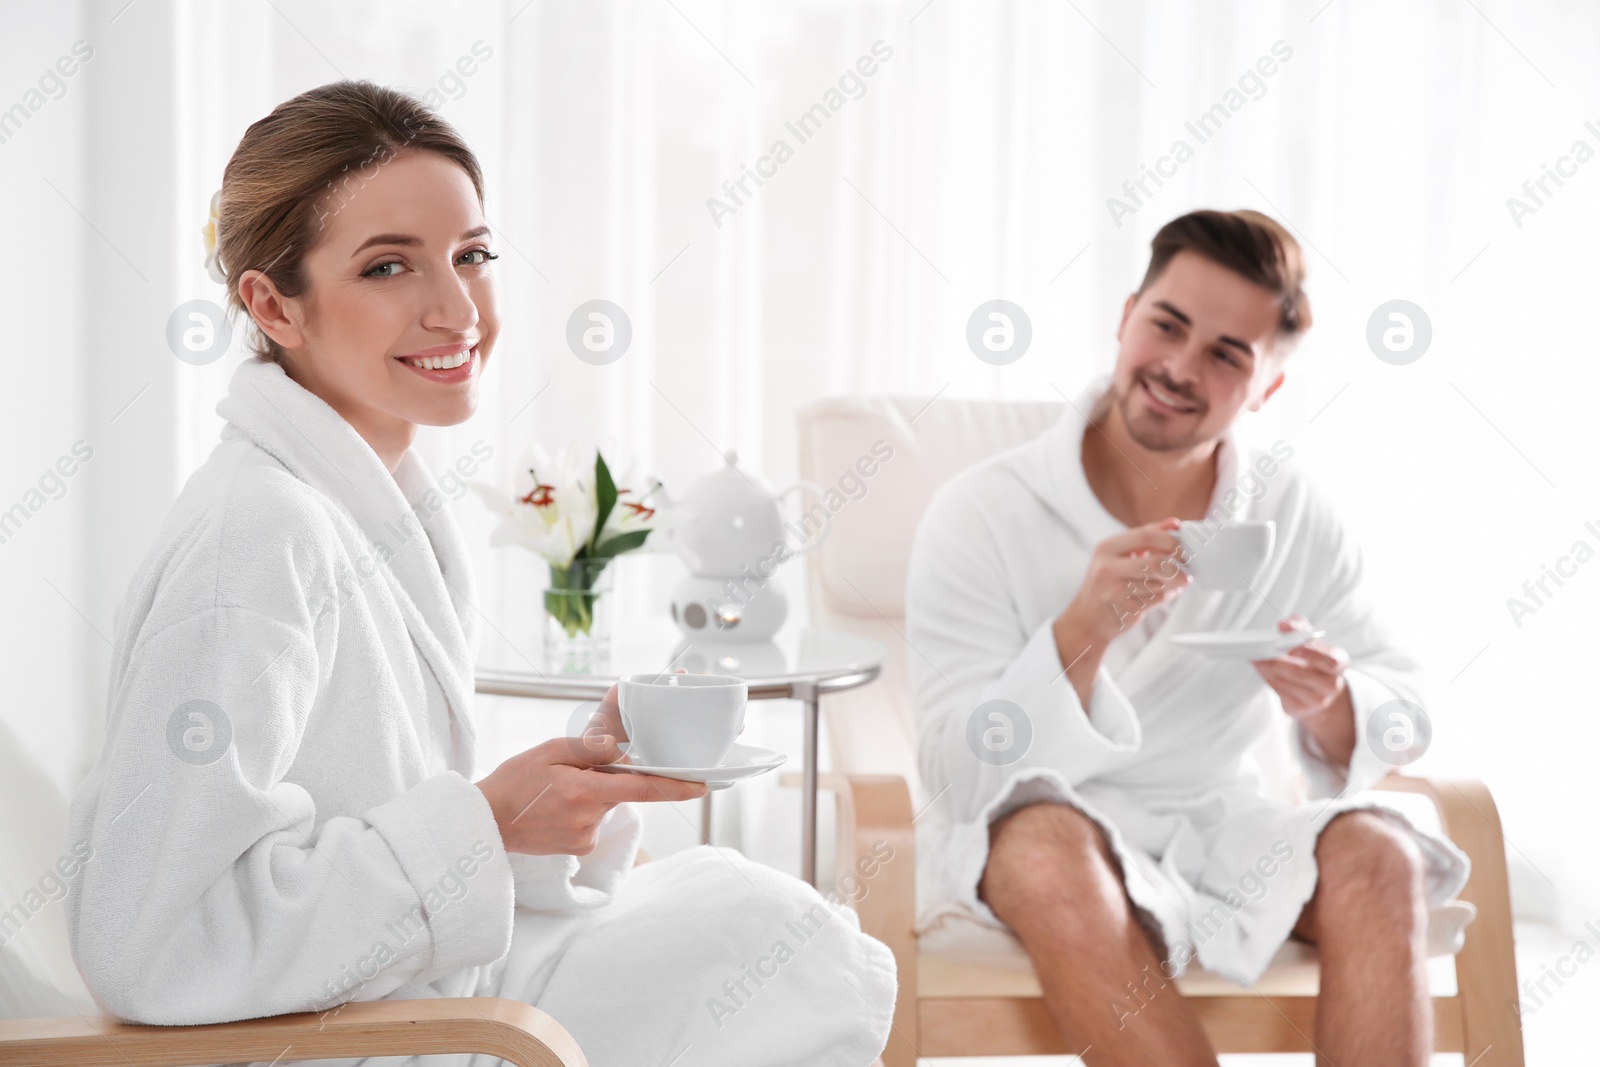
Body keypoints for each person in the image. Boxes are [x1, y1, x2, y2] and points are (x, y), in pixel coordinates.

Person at [62, 80, 895, 1067]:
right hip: (345, 1037)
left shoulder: (368, 501)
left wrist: (547, 809)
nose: (455, 308)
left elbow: (373, 823)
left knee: (749, 907)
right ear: (271, 304)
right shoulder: (257, 534)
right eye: (387, 267)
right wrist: (486, 818)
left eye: (472, 256)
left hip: (404, 996)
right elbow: (149, 941)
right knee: (768, 939)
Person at [904, 209, 1473, 1066]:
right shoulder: (983, 510)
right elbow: (956, 774)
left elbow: (1408, 707)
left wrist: (1332, 705)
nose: (1178, 366)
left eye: (1226, 353)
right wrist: (1080, 631)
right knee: (1043, 838)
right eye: (1166, 326)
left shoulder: (1291, 512)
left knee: (1380, 850)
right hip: (1041, 837)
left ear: (1267, 387)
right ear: (1126, 315)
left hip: (1220, 826)